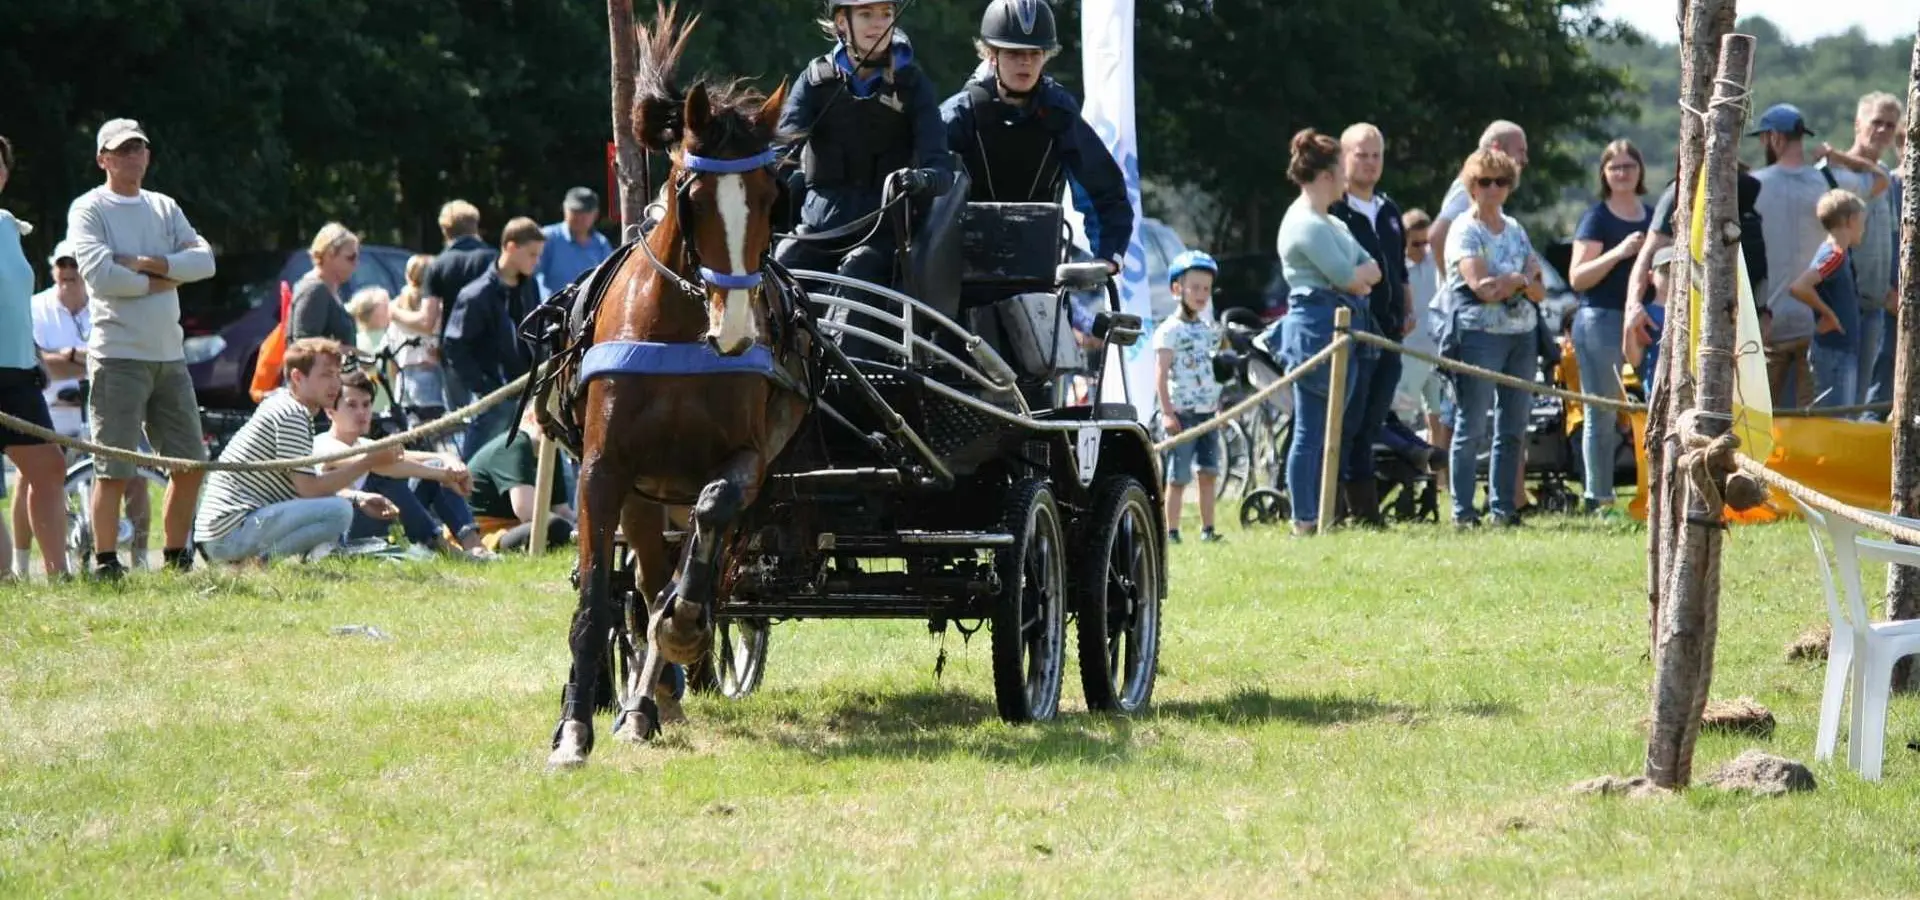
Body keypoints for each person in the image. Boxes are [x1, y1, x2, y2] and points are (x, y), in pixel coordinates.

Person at [65, 118, 217, 579]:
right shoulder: (89, 207)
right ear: (103, 159)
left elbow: (204, 262)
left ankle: (176, 559)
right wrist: (165, 279)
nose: (133, 156)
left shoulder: (164, 206)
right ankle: (106, 562)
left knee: (190, 464)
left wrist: (150, 264)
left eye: (139, 148)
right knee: (113, 468)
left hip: (170, 357)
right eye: (123, 150)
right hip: (117, 357)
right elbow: (101, 276)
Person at [940, 0, 1133, 276]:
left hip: (1037, 272)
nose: (1026, 62)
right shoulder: (958, 115)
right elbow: (924, 194)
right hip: (958, 272)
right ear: (992, 55)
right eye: (1014, 53)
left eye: (1035, 53)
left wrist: (1108, 257)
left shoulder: (1060, 113)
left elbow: (1105, 192)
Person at [774, 0, 953, 293]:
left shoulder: (913, 85)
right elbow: (782, 153)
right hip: (818, 232)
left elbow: (942, 170)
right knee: (781, 267)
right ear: (842, 22)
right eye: (866, 14)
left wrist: (921, 179)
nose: (878, 24)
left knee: (858, 270)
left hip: (880, 240)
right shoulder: (814, 81)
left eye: (886, 14)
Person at [193, 338, 403, 565]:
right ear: (297, 377)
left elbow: (303, 488)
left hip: (222, 535)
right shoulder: (292, 414)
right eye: (326, 375)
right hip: (228, 536)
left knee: (340, 508)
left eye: (337, 374)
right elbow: (309, 490)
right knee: (340, 512)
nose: (335, 384)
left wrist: (357, 497)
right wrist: (368, 462)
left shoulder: (286, 404)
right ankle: (259, 565)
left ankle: (260, 563)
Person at [1273, 127, 1381, 536]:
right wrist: (1356, 278)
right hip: (1316, 330)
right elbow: (1349, 277)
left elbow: (1373, 269)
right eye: (1341, 169)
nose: (1346, 178)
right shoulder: (1306, 224)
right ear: (1326, 176)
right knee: (1310, 430)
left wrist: (1356, 278)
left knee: (1331, 430)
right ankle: (1304, 517)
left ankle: (1322, 513)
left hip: (1343, 325)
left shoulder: (1332, 223)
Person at [1748, 102, 1887, 409]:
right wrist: (1838, 156)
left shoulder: (1753, 185)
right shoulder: (1829, 181)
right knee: (1813, 422)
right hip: (1818, 325)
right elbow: (1881, 178)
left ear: (1774, 138)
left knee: (1763, 418)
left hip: (1768, 322)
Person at [1440, 147, 1546, 529]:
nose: (1493, 189)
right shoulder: (1464, 230)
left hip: (1522, 336)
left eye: (1501, 182)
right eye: (1485, 181)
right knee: (1471, 424)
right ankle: (1463, 511)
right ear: (1472, 185)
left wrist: (1514, 283)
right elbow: (1482, 287)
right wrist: (1517, 280)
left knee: (1513, 426)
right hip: (1478, 336)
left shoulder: (1516, 229)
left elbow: (1540, 290)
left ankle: (1503, 508)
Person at [315, 369, 495, 559]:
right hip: (349, 530)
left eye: (366, 404)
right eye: (351, 405)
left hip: (384, 515)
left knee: (431, 464)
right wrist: (443, 475)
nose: (361, 412)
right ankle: (444, 548)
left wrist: (447, 460)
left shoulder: (365, 444)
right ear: (330, 412)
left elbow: (410, 458)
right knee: (383, 476)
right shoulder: (323, 445)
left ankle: (473, 544)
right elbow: (378, 464)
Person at [1327, 123, 1409, 527]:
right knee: (1346, 420)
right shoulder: (1334, 211)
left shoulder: (1389, 211)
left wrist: (1407, 308)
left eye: (1377, 155)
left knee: (1372, 421)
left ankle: (1365, 511)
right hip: (1352, 329)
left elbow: (1400, 269)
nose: (1370, 163)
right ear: (1344, 158)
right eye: (1362, 155)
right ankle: (1331, 507)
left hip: (1390, 332)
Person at [0, 136, 73, 581]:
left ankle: (58, 574)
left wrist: (33, 354)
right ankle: (4, 579)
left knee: (49, 467)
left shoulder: (8, 225)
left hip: (18, 371)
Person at [1566, 139, 1652, 516]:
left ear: (1640, 171)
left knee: (1653, 406)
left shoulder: (1653, 216)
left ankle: (1653, 492)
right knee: (1600, 412)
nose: (1622, 173)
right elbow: (1577, 278)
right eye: (1614, 167)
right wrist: (1618, 253)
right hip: (1600, 319)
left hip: (1645, 319)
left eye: (1628, 166)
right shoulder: (1596, 218)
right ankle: (1598, 497)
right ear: (1604, 173)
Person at [443, 217, 544, 459]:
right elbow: (455, 345)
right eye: (532, 254)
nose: (536, 261)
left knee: (526, 463)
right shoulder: (476, 295)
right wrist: (485, 387)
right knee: (475, 463)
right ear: (511, 247)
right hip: (495, 399)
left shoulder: (529, 287)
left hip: (527, 394)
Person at [1153, 250, 1225, 544]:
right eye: (1194, 288)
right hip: (1182, 413)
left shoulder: (1208, 330)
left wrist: (1218, 406)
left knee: (1208, 472)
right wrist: (1167, 412)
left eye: (1206, 289)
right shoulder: (1169, 330)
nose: (1201, 294)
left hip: (1207, 412)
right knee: (1178, 476)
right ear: (1177, 289)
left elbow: (1212, 371)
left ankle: (1208, 529)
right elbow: (1160, 374)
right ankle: (1171, 531)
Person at [1845, 92, 1905, 409]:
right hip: (1843, 302)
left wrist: (1893, 288)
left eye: (1890, 125)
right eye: (1876, 122)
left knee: (1863, 399)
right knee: (1837, 397)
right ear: (1858, 123)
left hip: (1876, 305)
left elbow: (1892, 238)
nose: (1882, 130)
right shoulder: (1835, 173)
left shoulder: (1884, 178)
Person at [1788, 189, 1869, 409]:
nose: (1863, 228)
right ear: (1850, 220)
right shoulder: (1834, 255)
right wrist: (1829, 314)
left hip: (1840, 351)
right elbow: (1799, 287)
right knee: (1835, 418)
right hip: (1834, 353)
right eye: (1862, 222)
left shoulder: (1840, 254)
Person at [465, 406, 576, 553]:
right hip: (486, 533)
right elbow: (527, 511)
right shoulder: (517, 442)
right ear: (530, 418)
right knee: (555, 526)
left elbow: (561, 510)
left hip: (517, 526)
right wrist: (573, 531)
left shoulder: (550, 449)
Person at [426, 201, 499, 413]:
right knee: (492, 415)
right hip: (491, 348)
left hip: (453, 351)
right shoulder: (494, 259)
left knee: (458, 418)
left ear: (445, 230)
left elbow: (428, 319)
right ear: (475, 225)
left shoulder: (438, 264)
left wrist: (395, 313)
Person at [1430, 120, 1528, 273]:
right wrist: (1455, 282)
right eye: (1520, 151)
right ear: (1496, 148)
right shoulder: (1473, 190)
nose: (1525, 159)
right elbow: (1437, 236)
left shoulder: (1487, 192)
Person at [1394, 209, 1451, 455]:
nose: (1422, 249)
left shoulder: (1436, 263)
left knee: (1439, 418)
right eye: (1415, 244)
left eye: (1426, 243)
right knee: (1403, 417)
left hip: (1436, 352)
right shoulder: (1396, 268)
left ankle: (1438, 472)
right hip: (1408, 353)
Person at [385, 253, 446, 424]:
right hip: (428, 373)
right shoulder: (435, 309)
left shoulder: (396, 306)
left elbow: (390, 346)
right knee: (434, 431)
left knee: (409, 432)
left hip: (402, 376)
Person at [287, 222, 360, 348]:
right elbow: (302, 345)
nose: (356, 264)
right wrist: (341, 350)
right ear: (329, 255)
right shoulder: (314, 290)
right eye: (350, 257)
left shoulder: (331, 288)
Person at [535, 187, 614, 301]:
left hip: (587, 309)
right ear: (565, 209)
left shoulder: (601, 244)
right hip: (551, 307)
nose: (579, 217)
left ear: (595, 214)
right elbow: (533, 276)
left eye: (585, 212)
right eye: (575, 211)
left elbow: (608, 282)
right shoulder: (548, 237)